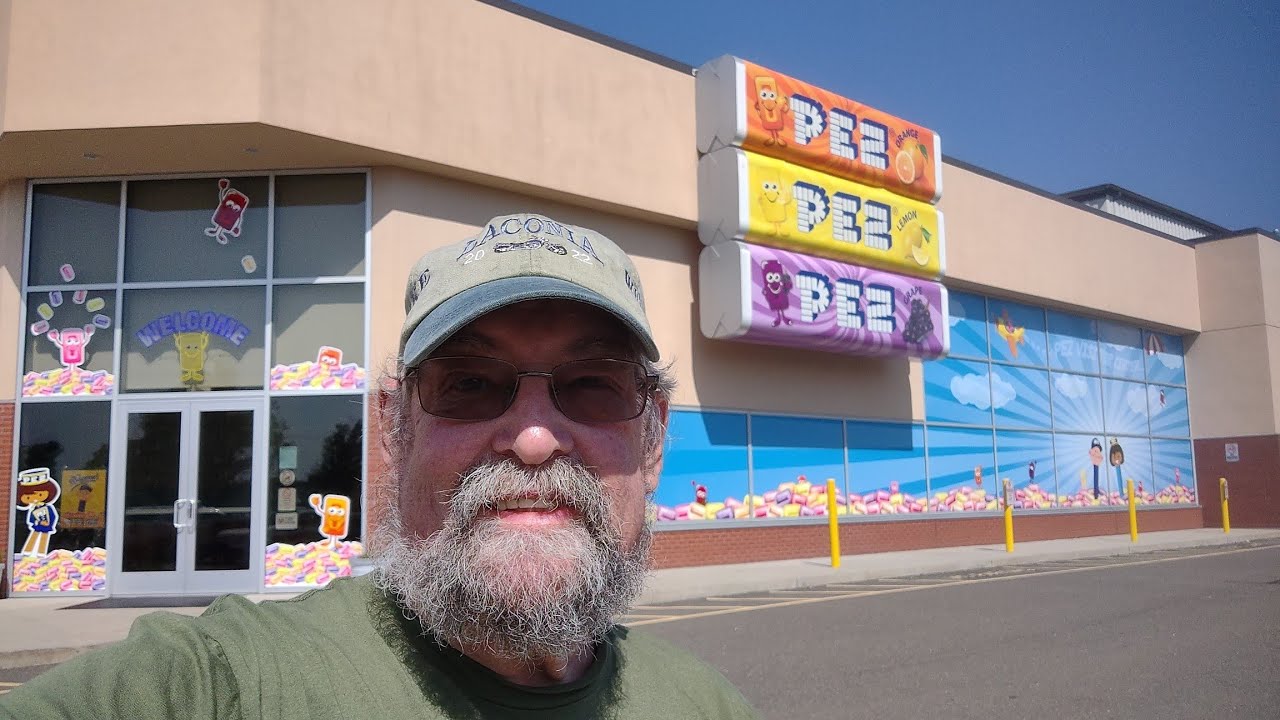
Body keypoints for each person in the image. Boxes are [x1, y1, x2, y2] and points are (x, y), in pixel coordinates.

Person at [1, 213, 760, 719]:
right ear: (395, 431)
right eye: (469, 383)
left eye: (593, 386)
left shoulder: (707, 705)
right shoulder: (224, 685)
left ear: (654, 438)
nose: (533, 439)